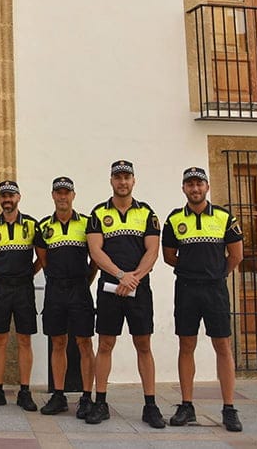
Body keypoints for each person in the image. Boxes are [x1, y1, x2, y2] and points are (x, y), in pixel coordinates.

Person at [162, 167, 244, 432]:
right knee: (186, 345)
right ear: (183, 188)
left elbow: (236, 256)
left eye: (199, 184)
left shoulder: (224, 217)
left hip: (215, 290)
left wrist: (215, 274)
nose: (194, 189)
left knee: (223, 345)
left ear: (207, 187)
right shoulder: (174, 220)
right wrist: (191, 271)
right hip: (186, 289)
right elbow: (169, 256)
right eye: (190, 184)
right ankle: (187, 405)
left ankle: (229, 408)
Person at [85, 160, 165, 428]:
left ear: (133, 181)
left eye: (127, 177)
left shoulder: (147, 214)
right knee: (105, 345)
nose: (122, 182)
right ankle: (101, 403)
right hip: (110, 289)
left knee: (143, 345)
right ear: (111, 181)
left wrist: (134, 279)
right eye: (118, 177)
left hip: (139, 290)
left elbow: (152, 251)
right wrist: (121, 276)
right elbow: (96, 251)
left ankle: (151, 405)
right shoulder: (98, 214)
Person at [34, 177, 96, 419]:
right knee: (58, 342)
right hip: (55, 290)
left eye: (66, 192)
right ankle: (58, 395)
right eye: (58, 193)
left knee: (84, 343)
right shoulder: (43, 227)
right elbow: (43, 260)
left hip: (80, 289)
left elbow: (95, 260)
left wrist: (83, 283)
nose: (62, 197)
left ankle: (86, 396)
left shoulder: (88, 224)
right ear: (52, 195)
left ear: (73, 195)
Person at [0, 180, 40, 411]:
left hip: (24, 288)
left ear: (19, 197)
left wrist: (27, 274)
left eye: (11, 195)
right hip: (0, 288)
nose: (7, 199)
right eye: (3, 195)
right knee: (0, 339)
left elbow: (41, 259)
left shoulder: (32, 225)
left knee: (25, 339)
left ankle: (25, 392)